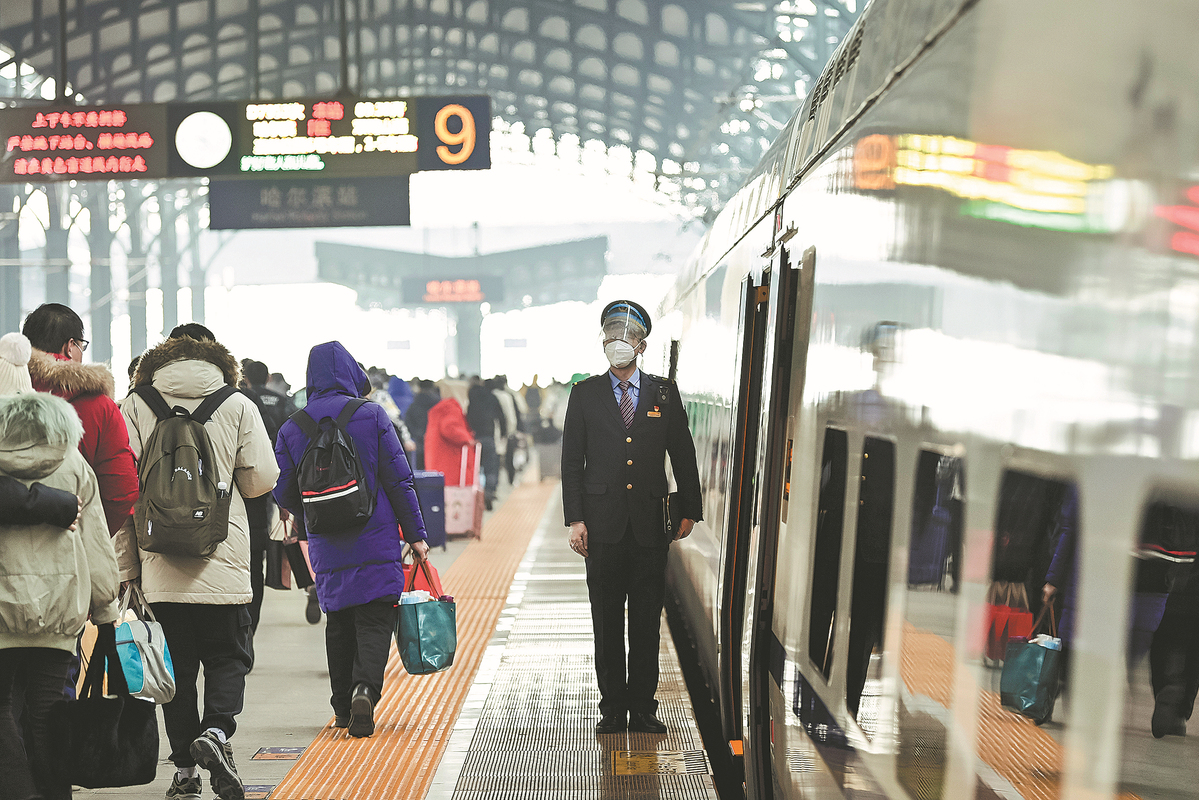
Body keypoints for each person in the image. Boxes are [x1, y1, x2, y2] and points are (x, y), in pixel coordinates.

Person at [117, 328, 279, 800]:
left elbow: (123, 488)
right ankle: (217, 732)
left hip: (160, 561)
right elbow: (260, 481)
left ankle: (185, 772)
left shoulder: (136, 403)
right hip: (221, 557)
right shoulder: (237, 403)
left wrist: (129, 569)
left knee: (178, 672)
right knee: (229, 658)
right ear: (217, 362)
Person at [273, 342, 430, 738]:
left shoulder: (292, 428)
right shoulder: (372, 415)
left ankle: (342, 708)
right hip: (376, 537)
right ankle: (365, 690)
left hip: (326, 542)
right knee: (376, 618)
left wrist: (315, 509)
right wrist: (416, 535)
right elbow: (399, 480)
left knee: (339, 622)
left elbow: (284, 491)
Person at [561, 300, 703, 734]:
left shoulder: (664, 393)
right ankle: (612, 708)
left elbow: (683, 454)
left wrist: (689, 510)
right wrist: (576, 519)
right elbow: (572, 462)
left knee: (645, 624)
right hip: (601, 527)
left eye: (626, 336)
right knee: (606, 623)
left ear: (641, 346)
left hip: (649, 527)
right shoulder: (585, 393)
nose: (617, 342)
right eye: (610, 335)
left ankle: (643, 707)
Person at [0, 332, 120, 800]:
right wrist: (106, 610)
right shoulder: (70, 460)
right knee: (48, 709)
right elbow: (95, 541)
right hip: (58, 607)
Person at [23, 303, 138, 536]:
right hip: (75, 541)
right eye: (81, 345)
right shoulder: (100, 407)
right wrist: (90, 536)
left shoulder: (7, 394)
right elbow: (121, 492)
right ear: (70, 347)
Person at [467, 376, 504, 509]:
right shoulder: (491, 397)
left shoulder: (470, 397)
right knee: (490, 468)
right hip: (489, 436)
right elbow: (501, 417)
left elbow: (467, 415)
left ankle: (476, 493)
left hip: (474, 437)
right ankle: (489, 492)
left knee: (474, 468)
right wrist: (503, 434)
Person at [425, 391, 476, 488]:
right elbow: (449, 428)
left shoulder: (439, 409)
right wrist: (467, 439)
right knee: (453, 492)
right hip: (451, 461)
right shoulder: (451, 408)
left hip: (437, 460)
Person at [405, 379, 441, 470]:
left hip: (419, 441)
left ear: (419, 388)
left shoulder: (414, 403)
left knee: (421, 470)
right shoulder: (439, 403)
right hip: (436, 441)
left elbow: (408, 421)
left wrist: (417, 434)